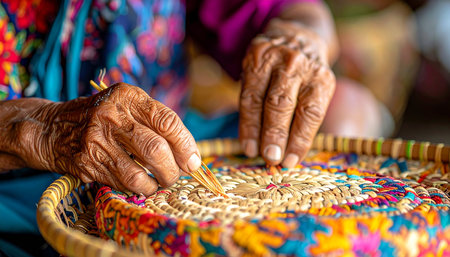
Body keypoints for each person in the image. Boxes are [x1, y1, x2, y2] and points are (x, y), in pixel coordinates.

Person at [0, 0, 337, 255]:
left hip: (173, 150)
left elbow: (298, 12)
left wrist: (301, 39)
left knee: (346, 109)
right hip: (16, 186)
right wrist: (41, 132)